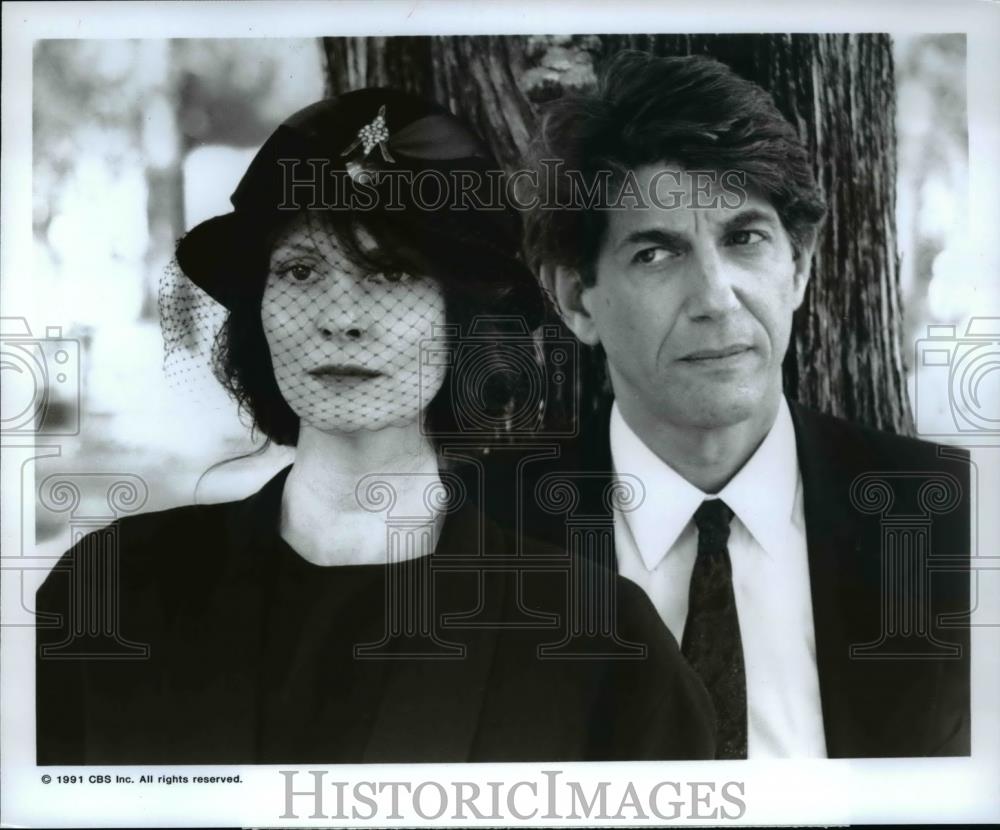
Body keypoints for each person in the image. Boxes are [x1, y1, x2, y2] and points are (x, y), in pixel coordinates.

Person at [35, 88, 716, 765]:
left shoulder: (602, 643)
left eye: (391, 272)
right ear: (259, 310)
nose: (340, 318)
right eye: (301, 271)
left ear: (464, 319)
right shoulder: (111, 590)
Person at [521, 51, 971, 759]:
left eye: (745, 239)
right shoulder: (478, 540)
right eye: (656, 254)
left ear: (798, 266)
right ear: (577, 299)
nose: (716, 298)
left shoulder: (957, 519)